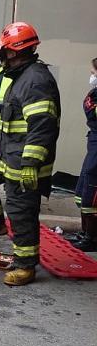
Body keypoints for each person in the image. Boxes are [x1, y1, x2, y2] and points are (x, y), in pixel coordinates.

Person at [0, 22, 61, 286]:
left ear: (11, 52)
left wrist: (31, 162)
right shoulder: (20, 78)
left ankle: (25, 267)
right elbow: (11, 127)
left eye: (5, 53)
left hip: (24, 164)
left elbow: (42, 125)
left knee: (21, 214)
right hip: (6, 155)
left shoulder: (36, 80)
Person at [69, 57, 97, 252]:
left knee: (91, 192)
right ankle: (85, 232)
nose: (92, 76)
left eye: (94, 73)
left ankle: (92, 237)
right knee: (83, 190)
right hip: (94, 143)